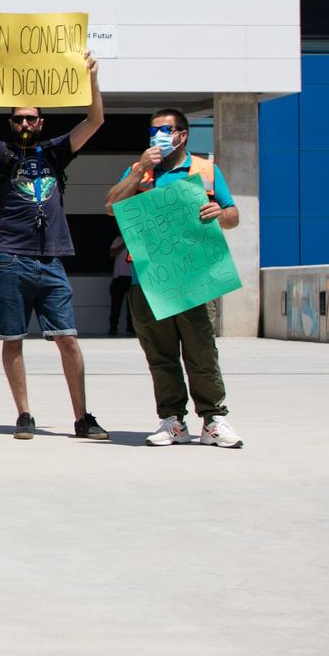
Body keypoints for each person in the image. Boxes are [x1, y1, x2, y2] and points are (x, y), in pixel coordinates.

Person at [0, 49, 110, 441]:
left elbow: (95, 120)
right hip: (11, 258)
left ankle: (82, 417)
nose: (24, 122)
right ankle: (23, 414)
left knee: (68, 339)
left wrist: (92, 77)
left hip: (52, 260)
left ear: (41, 122)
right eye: (17, 118)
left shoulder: (56, 152)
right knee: (13, 340)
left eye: (30, 117)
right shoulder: (2, 156)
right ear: (10, 123)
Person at [104, 109, 244, 449]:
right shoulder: (140, 171)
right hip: (148, 278)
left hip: (195, 276)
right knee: (160, 353)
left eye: (165, 131)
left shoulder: (206, 170)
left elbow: (233, 216)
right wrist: (138, 170)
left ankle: (213, 420)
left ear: (182, 134)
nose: (157, 138)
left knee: (201, 351)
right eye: (153, 132)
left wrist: (219, 213)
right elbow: (111, 206)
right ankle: (172, 420)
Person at [108, 234, 133, 337]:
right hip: (119, 276)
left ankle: (131, 328)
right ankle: (113, 326)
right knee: (116, 304)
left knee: (132, 305)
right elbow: (112, 253)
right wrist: (125, 243)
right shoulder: (118, 239)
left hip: (133, 277)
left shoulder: (138, 240)